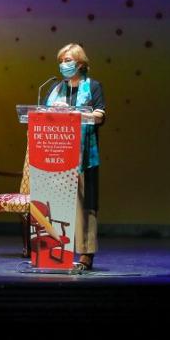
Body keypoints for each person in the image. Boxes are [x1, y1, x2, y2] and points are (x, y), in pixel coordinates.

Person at [43, 43, 105, 271]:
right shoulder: (56, 89)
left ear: (80, 63)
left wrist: (78, 114)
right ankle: (53, 251)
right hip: (55, 155)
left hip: (83, 156)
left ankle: (86, 253)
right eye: (60, 61)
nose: (63, 65)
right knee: (55, 205)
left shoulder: (93, 87)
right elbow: (40, 115)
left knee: (84, 204)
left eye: (67, 60)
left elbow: (99, 115)